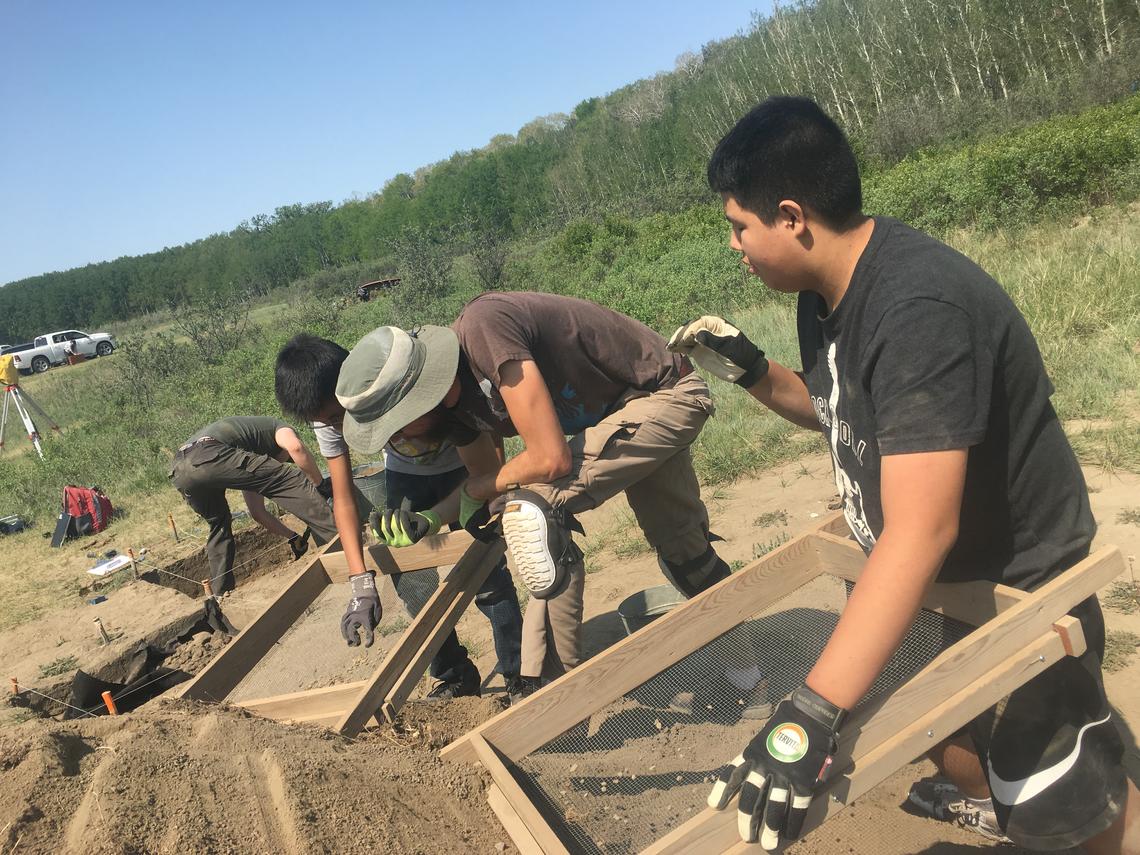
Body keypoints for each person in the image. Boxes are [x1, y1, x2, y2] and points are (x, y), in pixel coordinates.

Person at [667, 95, 1138, 852]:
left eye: (738, 226)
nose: (734, 245)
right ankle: (992, 799)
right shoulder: (824, 296)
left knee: (1067, 799)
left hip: (1012, 585)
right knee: (943, 734)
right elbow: (844, 412)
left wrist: (812, 711)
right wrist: (753, 371)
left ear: (791, 216)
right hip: (925, 583)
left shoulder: (917, 308)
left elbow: (924, 528)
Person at [333, 292, 732, 685]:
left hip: (667, 395)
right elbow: (490, 484)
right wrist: (432, 517)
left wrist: (483, 492)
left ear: (418, 399)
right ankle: (745, 666)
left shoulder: (484, 328)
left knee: (534, 510)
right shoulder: (456, 412)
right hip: (622, 418)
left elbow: (549, 460)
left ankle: (559, 693)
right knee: (684, 552)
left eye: (397, 426)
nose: (399, 438)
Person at [274, 334, 526, 702]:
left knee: (489, 576)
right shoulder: (326, 420)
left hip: (464, 468)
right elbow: (343, 497)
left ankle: (518, 673)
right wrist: (360, 581)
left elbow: (483, 458)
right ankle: (455, 675)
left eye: (334, 415)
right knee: (412, 583)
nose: (333, 425)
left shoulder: (404, 383)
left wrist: (485, 495)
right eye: (322, 421)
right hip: (407, 477)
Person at [168, 416, 337, 594]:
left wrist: (293, 538)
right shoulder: (280, 428)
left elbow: (257, 512)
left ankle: (219, 594)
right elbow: (295, 447)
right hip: (208, 453)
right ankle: (338, 538)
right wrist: (320, 485)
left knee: (219, 523)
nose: (285, 461)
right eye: (288, 459)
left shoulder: (247, 458)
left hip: (178, 470)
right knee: (288, 478)